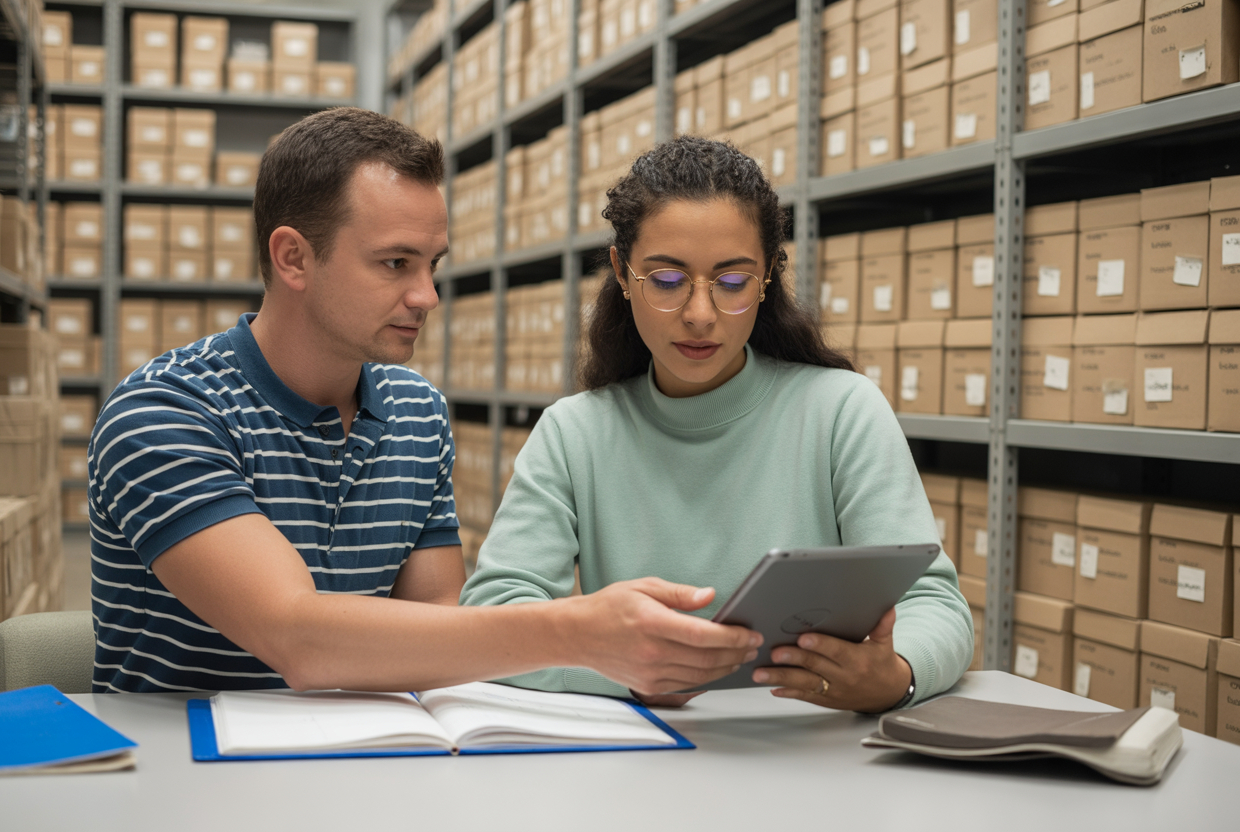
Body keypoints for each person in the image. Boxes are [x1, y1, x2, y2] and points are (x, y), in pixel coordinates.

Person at [88, 108, 761, 694]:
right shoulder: (163, 414)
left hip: (375, 766)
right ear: (293, 258)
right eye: (394, 264)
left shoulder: (415, 413)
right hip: (185, 775)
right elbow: (295, 636)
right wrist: (573, 630)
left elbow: (443, 637)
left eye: (432, 264)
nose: (427, 297)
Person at [460, 136, 973, 711]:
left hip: (814, 752)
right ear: (622, 274)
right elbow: (493, 614)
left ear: (768, 278)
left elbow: (934, 603)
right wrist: (623, 671)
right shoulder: (573, 433)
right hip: (646, 756)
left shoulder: (842, 411)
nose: (699, 315)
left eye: (731, 283)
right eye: (667, 281)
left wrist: (896, 675)